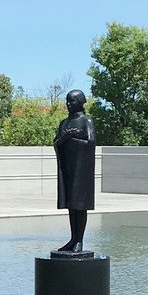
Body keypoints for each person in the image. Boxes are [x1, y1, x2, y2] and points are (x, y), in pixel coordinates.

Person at [53, 89, 96, 253]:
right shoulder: (64, 123)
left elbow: (91, 144)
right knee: (71, 204)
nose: (69, 104)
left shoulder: (87, 121)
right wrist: (65, 138)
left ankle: (79, 240)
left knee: (80, 205)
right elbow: (56, 143)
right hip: (68, 169)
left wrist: (72, 139)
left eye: (72, 101)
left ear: (80, 103)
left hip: (81, 170)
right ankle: (72, 238)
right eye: (67, 101)